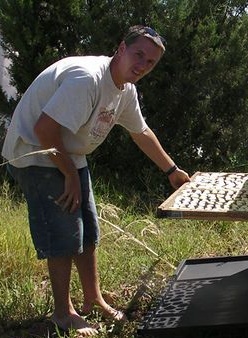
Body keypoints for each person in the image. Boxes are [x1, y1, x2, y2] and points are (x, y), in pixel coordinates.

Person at [1, 25, 190, 336]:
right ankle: (63, 314)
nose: (142, 65)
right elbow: (43, 131)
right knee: (64, 232)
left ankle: (94, 299)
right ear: (121, 49)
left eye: (150, 62)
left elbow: (140, 132)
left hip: (68, 154)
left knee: (87, 228)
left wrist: (172, 171)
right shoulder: (87, 79)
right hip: (35, 154)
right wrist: (69, 174)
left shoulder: (125, 89)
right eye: (138, 54)